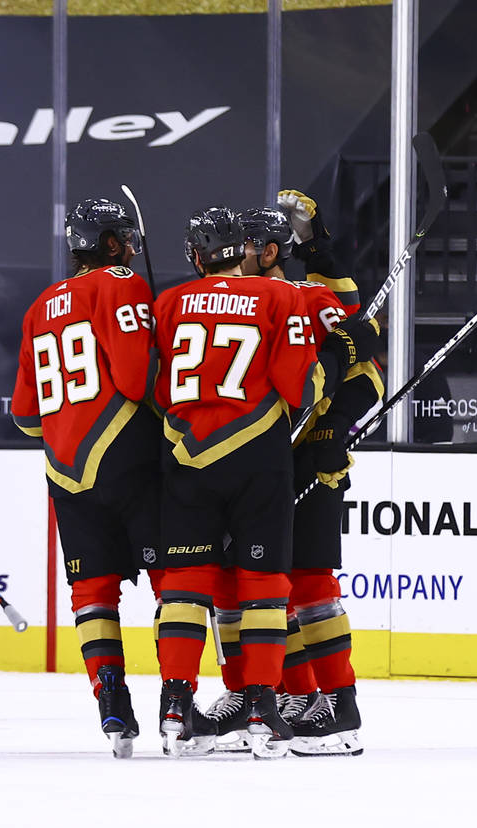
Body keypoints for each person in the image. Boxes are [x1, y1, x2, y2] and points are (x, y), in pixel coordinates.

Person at [151, 205, 378, 759]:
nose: (237, 252)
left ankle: (336, 707)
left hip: (304, 462)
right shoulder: (262, 302)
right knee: (238, 585)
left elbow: (366, 375)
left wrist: (331, 433)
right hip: (262, 458)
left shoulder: (306, 298)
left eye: (247, 244)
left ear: (267, 251)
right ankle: (264, 695)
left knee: (306, 584)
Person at [11, 197, 160, 759]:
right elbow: (134, 377)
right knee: (174, 575)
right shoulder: (120, 281)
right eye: (124, 236)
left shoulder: (40, 304)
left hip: (64, 468)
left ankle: (111, 700)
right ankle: (179, 699)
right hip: (128, 451)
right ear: (113, 245)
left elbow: (25, 415)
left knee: (92, 591)